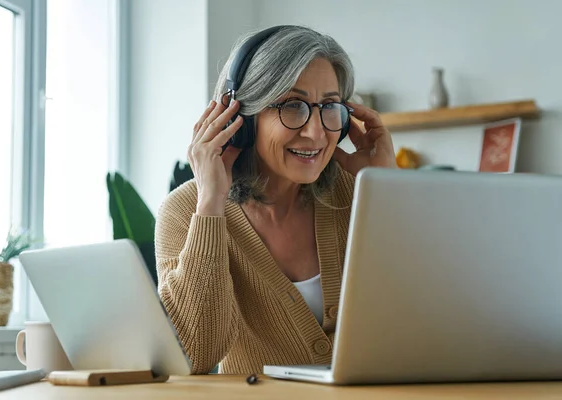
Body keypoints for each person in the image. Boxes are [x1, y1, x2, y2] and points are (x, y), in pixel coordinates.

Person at [154, 25, 397, 375]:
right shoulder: (184, 211)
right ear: (241, 119)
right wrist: (210, 204)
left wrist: (384, 194)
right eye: (293, 106)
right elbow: (197, 352)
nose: (316, 132)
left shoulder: (357, 191)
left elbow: (429, 317)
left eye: (329, 106)